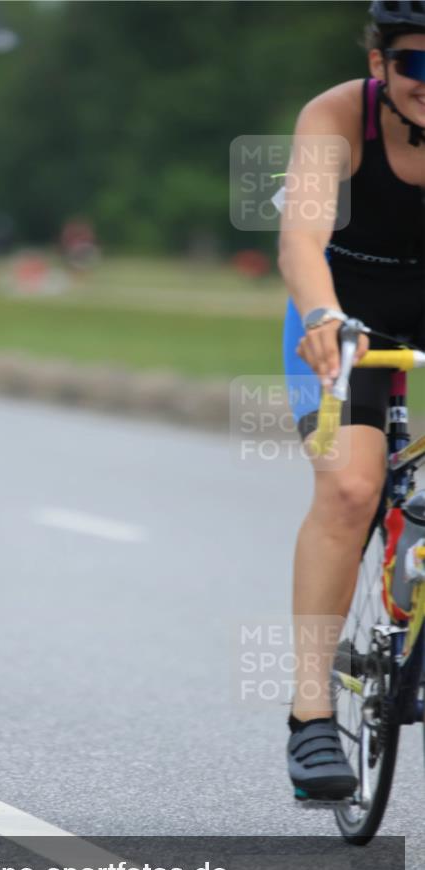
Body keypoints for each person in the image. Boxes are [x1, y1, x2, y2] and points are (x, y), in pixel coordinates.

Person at [280, 1, 425, 801]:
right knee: (349, 488)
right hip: (343, 319)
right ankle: (310, 717)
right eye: (415, 64)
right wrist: (321, 319)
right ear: (380, 65)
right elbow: (301, 238)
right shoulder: (336, 116)